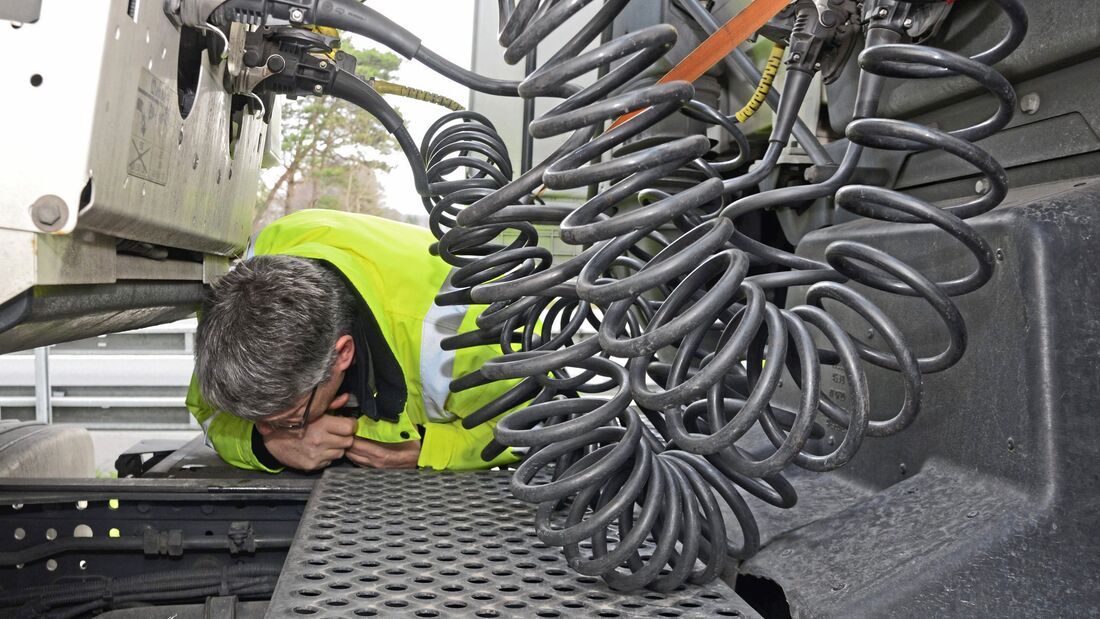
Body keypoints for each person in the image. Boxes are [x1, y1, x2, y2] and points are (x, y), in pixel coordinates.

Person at [185, 209, 522, 472]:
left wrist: (428, 449)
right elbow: (206, 410)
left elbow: (543, 424)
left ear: (343, 354)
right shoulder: (233, 309)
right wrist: (266, 444)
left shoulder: (464, 333)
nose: (273, 429)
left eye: (289, 419)